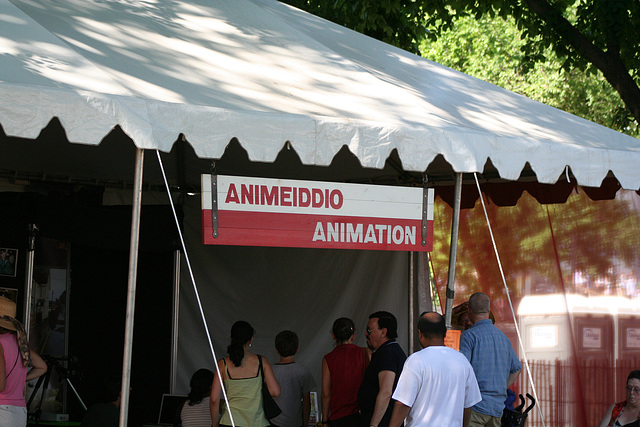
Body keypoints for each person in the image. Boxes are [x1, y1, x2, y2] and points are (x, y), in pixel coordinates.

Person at [389, 312, 481, 427]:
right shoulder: (462, 361)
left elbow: (403, 403)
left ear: (420, 333)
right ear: (445, 333)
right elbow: (468, 405)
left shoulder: (416, 361)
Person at [460, 293, 521, 427]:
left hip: (476, 408)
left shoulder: (469, 336)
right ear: (488, 310)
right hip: (497, 408)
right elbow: (517, 368)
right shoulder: (503, 337)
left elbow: (462, 371)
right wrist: (501, 388)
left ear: (469, 311)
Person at [210, 320, 281, 427]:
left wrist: (214, 425)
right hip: (257, 422)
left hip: (230, 422)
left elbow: (214, 400)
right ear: (251, 340)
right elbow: (275, 392)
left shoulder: (222, 364)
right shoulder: (261, 361)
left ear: (231, 339)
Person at [0, 296, 48, 426]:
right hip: (19, 412)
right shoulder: (20, 343)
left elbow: (0, 384)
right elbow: (42, 367)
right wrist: (21, 378)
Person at [357, 311, 406, 427]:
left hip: (383, 421)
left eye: (369, 330)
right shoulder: (387, 352)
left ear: (383, 332)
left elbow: (386, 392)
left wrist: (373, 425)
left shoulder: (388, 354)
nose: (365, 334)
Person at [322, 318, 371, 427]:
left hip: (338, 418)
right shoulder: (366, 353)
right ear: (353, 336)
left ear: (333, 336)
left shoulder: (328, 359)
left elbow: (326, 394)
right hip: (362, 416)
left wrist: (325, 421)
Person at [270, 330, 316, 427]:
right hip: (295, 422)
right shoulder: (303, 371)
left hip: (274, 422)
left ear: (276, 349)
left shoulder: (270, 371)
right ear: (297, 349)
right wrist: (305, 423)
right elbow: (307, 401)